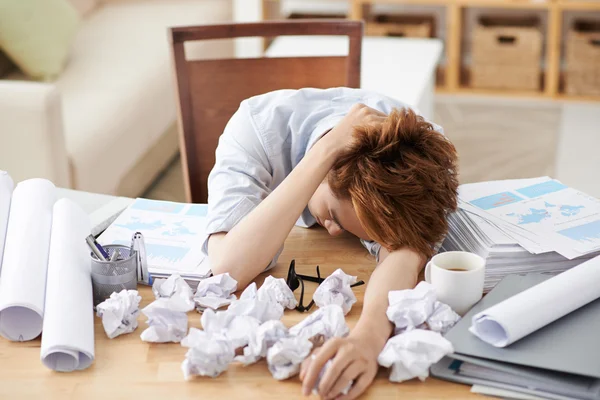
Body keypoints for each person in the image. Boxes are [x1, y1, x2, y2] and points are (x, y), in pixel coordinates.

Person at [202, 87, 459, 399]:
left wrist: (367, 338)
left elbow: (405, 252)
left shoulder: (421, 158)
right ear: (325, 173)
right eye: (333, 214)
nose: (335, 232)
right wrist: (326, 152)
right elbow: (228, 267)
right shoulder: (253, 127)